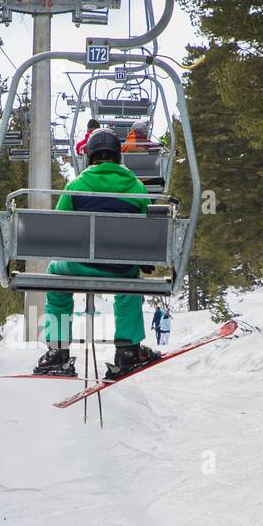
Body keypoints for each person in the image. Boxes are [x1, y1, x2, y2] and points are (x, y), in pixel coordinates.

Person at [33, 127, 163, 379]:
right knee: (130, 284)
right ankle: (127, 350)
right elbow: (148, 231)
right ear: (118, 157)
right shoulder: (136, 187)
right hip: (120, 267)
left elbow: (59, 228)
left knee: (55, 279)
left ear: (89, 157)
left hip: (79, 264)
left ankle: (58, 351)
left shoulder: (76, 185)